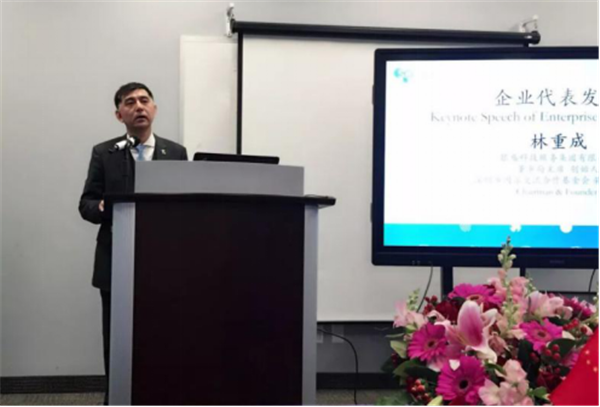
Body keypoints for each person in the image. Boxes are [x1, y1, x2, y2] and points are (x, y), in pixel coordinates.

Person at [79, 82, 188, 402]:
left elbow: (185, 204)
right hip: (116, 261)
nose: (138, 106)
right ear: (119, 115)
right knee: (117, 339)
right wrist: (101, 207)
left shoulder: (176, 153)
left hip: (163, 263)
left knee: (162, 337)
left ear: (154, 108)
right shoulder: (105, 152)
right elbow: (86, 203)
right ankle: (117, 399)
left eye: (144, 100)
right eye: (130, 102)